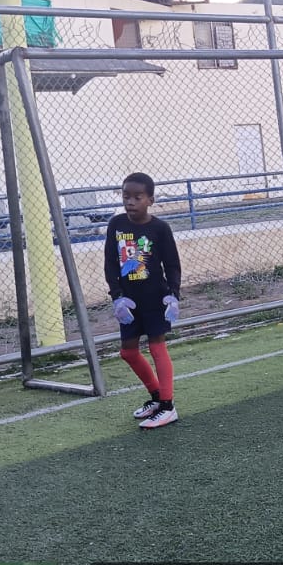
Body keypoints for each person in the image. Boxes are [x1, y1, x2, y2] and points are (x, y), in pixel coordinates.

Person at [104, 172, 182, 429]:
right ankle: (157, 397)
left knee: (157, 347)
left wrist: (173, 295)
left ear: (150, 200)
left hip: (155, 299)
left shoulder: (160, 228)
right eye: (126, 196)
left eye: (138, 197)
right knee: (128, 351)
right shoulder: (116, 225)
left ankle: (168, 407)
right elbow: (111, 263)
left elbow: (172, 265)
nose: (130, 202)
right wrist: (117, 297)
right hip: (128, 302)